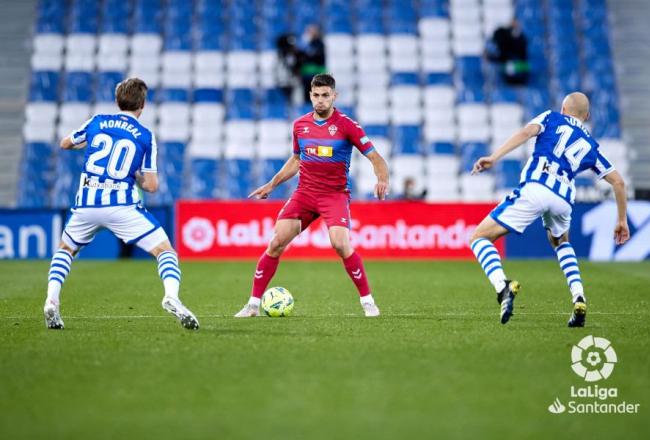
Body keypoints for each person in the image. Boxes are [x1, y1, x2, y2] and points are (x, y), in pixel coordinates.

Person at [42, 77, 199, 330]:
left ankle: (52, 300)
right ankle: (171, 296)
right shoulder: (146, 136)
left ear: (117, 100)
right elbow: (151, 186)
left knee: (65, 250)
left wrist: (88, 145)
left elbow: (65, 143)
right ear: (143, 104)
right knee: (165, 251)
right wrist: (133, 174)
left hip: (87, 204)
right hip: (122, 206)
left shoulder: (97, 122)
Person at [234, 73, 389, 318]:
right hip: (305, 194)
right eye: (316, 95)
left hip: (334, 195)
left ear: (334, 96)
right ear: (310, 95)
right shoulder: (300, 125)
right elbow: (296, 159)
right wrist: (271, 185)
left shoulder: (348, 125)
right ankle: (253, 305)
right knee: (276, 243)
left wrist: (382, 178)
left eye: (325, 95)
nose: (320, 100)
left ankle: (368, 302)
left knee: (340, 243)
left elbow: (375, 157)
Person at [469, 92, 629, 327]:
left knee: (479, 238)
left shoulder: (551, 117)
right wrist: (622, 220)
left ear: (564, 108)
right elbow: (619, 182)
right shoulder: (591, 145)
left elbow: (526, 133)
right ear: (587, 116)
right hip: (564, 198)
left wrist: (494, 157)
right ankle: (579, 298)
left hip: (537, 187)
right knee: (561, 242)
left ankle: (503, 287)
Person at [486, 19, 530, 85]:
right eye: (513, 25)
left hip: (518, 65)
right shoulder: (503, 35)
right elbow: (502, 55)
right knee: (510, 66)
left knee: (520, 67)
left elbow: (523, 55)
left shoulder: (522, 38)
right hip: (508, 65)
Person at [299, 24, 326, 99]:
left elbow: (313, 55)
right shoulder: (306, 44)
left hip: (316, 74)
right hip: (306, 75)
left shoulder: (319, 44)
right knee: (307, 96)